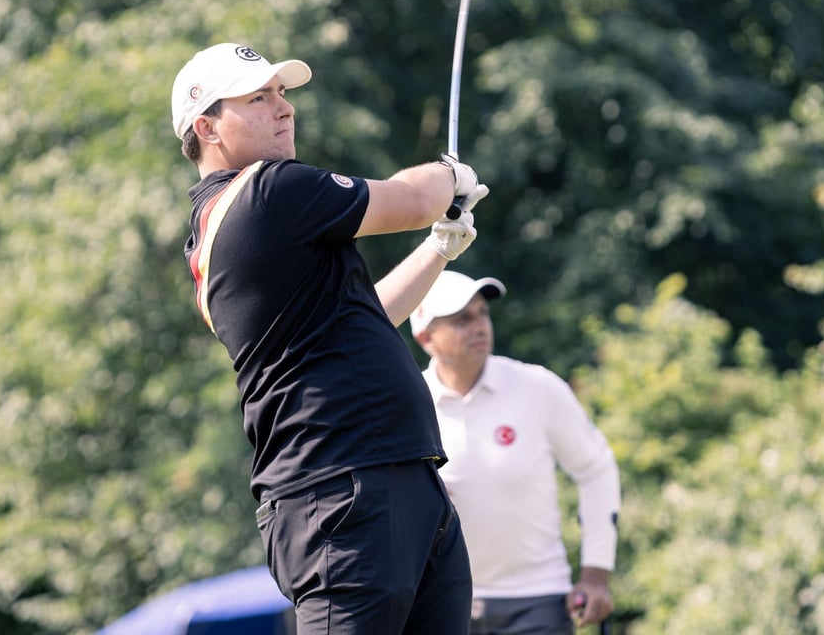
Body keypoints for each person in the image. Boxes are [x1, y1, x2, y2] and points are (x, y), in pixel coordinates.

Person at [172, 42, 490, 634]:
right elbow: (417, 198)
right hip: (339, 489)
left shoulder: (250, 217)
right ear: (207, 126)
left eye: (282, 95)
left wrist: (438, 249)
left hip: (397, 479)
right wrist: (451, 175)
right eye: (258, 98)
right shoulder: (268, 192)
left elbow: (369, 315)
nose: (284, 109)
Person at [409, 271, 622, 634]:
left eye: (483, 314)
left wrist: (596, 574)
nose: (479, 326)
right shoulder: (409, 402)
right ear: (426, 337)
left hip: (538, 600)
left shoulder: (536, 386)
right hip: (440, 604)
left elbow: (596, 469)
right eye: (463, 319)